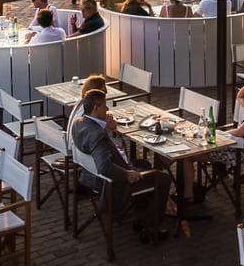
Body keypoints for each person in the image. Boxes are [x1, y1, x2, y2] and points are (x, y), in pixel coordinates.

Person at [72, 90, 172, 243]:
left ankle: (142, 218)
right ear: (96, 108)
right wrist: (127, 174)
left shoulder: (78, 123)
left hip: (89, 178)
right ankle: (152, 229)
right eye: (104, 105)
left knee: (143, 164)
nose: (107, 109)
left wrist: (107, 128)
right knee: (162, 179)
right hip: (113, 185)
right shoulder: (97, 134)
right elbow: (104, 168)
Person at [183, 80, 244, 200]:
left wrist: (219, 134)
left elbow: (239, 132)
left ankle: (188, 195)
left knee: (188, 156)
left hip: (243, 151)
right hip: (236, 145)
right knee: (194, 149)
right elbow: (239, 96)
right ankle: (187, 192)